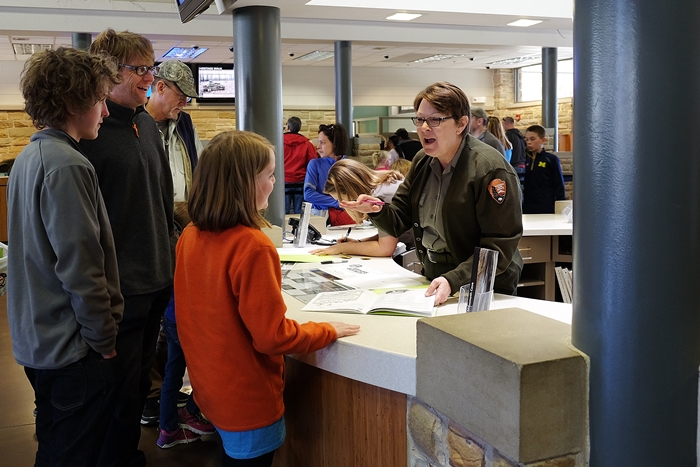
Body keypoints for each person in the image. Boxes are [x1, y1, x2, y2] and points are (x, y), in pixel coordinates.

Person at [174, 130, 360, 467]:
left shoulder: (190, 235)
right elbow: (273, 336)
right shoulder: (253, 246)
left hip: (211, 390)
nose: (276, 183)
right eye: (270, 175)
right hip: (248, 402)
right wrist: (327, 330)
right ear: (244, 182)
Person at [7, 47, 123, 466]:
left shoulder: (28, 157)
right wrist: (104, 341)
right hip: (71, 349)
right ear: (74, 102)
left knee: (55, 445)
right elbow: (81, 267)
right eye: (99, 100)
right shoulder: (68, 164)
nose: (105, 113)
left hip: (38, 342)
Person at [80, 29, 176, 467]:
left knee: (138, 386)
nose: (148, 77)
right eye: (138, 69)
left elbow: (160, 203)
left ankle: (124, 455)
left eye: (150, 68)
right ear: (108, 72)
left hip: (157, 280)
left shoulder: (147, 127)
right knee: (114, 391)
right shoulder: (90, 134)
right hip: (120, 292)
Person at [341, 82, 523, 306]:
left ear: (461, 124)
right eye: (419, 119)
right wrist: (376, 210)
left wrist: (453, 279)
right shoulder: (422, 160)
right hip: (435, 277)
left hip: (484, 285)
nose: (424, 127)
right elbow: (399, 219)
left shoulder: (489, 168)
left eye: (435, 119)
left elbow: (498, 247)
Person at [157, 201, 216, 449]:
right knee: (208, 372)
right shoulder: (185, 249)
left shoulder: (166, 249)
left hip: (170, 319)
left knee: (172, 375)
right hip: (185, 322)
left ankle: (167, 429)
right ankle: (192, 411)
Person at [309, 159, 404, 257]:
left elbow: (385, 249)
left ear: (350, 192)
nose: (340, 204)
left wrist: (340, 248)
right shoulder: (383, 186)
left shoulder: (379, 197)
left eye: (339, 199)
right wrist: (358, 243)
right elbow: (389, 234)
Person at [145, 59, 203, 202]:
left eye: (187, 99)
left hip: (183, 217)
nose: (184, 104)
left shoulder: (185, 123)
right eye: (181, 96)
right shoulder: (136, 123)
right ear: (160, 88)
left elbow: (202, 169)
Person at [303, 122, 354, 225]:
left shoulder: (350, 165)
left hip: (346, 216)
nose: (318, 147)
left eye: (322, 142)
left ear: (335, 143)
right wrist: (338, 203)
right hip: (320, 217)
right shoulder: (315, 164)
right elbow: (308, 194)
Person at [522, 124, 566, 214]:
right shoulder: (527, 159)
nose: (529, 142)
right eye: (527, 139)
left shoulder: (551, 159)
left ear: (543, 140)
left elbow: (559, 185)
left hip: (546, 207)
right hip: (528, 206)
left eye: (532, 139)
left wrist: (560, 207)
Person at [283, 116, 317, 214]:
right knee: (301, 215)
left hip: (284, 182)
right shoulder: (307, 144)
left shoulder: (279, 142)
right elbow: (312, 163)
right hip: (301, 182)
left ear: (288, 126)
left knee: (283, 213)